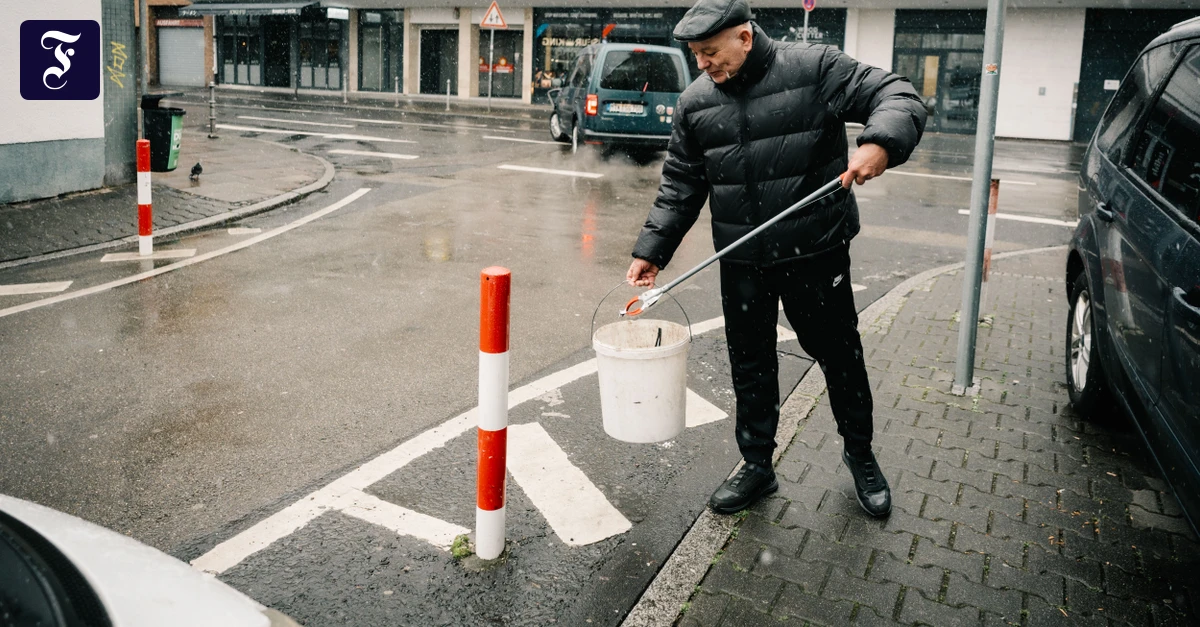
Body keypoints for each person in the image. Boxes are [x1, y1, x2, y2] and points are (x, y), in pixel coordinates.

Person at [626, 0, 926, 517]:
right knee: (751, 364)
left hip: (815, 251)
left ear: (744, 37)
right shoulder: (696, 102)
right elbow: (681, 185)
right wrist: (652, 251)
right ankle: (757, 467)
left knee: (839, 354)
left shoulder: (813, 69)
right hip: (743, 259)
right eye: (696, 55)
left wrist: (881, 142)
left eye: (710, 52)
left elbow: (896, 93)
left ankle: (861, 454)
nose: (703, 65)